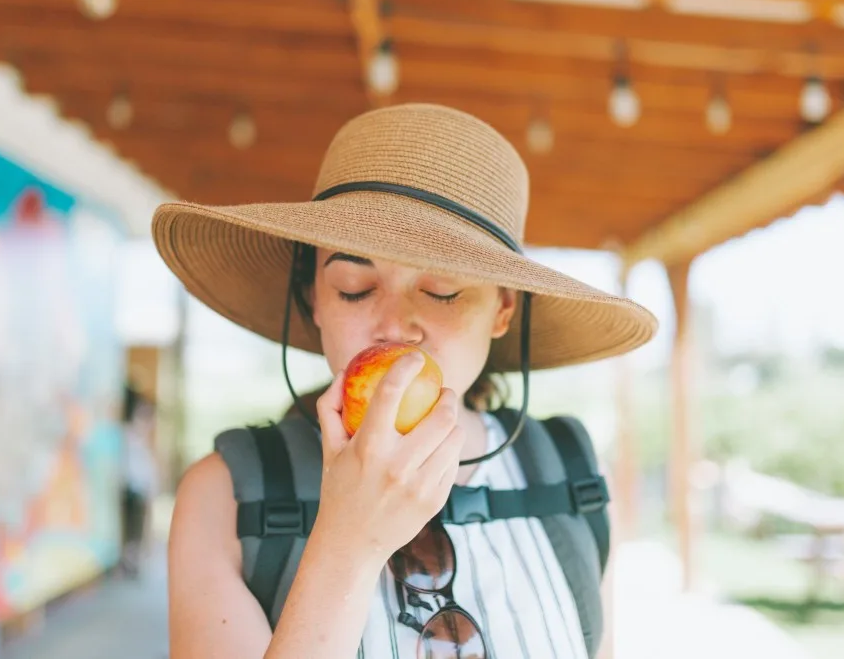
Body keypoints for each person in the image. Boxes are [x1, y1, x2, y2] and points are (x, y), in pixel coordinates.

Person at [156, 103, 657, 658]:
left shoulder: (573, 476)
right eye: (353, 286)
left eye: (441, 290)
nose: (393, 326)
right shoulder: (224, 497)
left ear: (503, 309)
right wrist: (346, 541)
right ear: (312, 297)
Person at [119, 383, 160, 577]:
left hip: (138, 491)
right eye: (144, 415)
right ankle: (130, 558)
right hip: (130, 492)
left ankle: (134, 558)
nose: (149, 422)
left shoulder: (137, 440)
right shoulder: (125, 437)